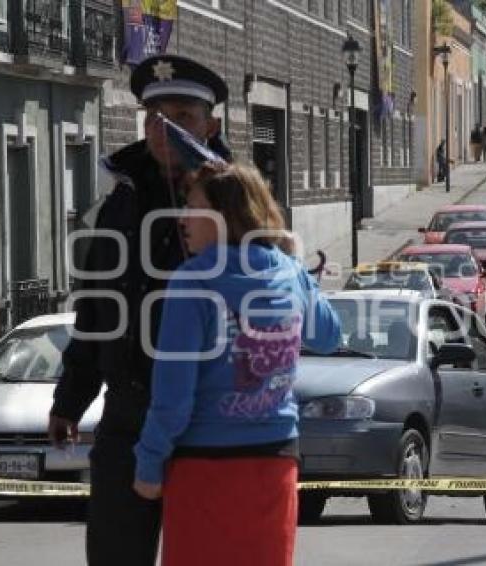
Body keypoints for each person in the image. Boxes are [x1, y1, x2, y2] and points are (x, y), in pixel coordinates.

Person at [48, 54, 231, 566]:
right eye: (155, 116)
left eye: (182, 116)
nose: (164, 128)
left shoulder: (236, 198)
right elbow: (96, 306)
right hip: (127, 414)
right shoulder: (122, 196)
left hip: (206, 421)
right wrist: (72, 397)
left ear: (210, 125)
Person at [132, 164, 341, 565]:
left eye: (194, 208)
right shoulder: (289, 271)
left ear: (226, 217)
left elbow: (173, 393)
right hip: (275, 460)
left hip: (204, 465)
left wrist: (149, 462)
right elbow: (329, 336)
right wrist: (296, 272)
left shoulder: (193, 280)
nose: (183, 219)